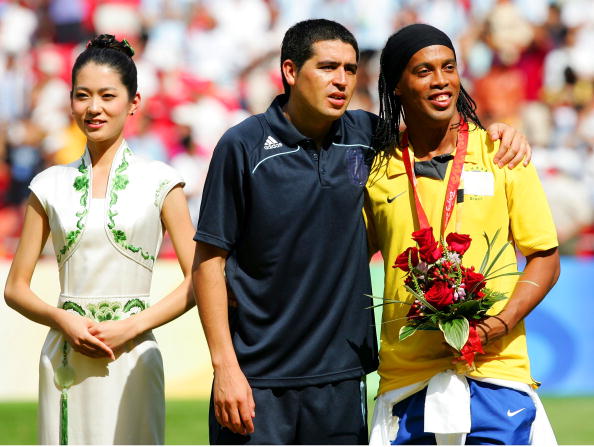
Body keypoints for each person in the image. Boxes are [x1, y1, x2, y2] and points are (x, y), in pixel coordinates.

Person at [192, 19, 531, 445]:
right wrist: (225, 367)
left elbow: (438, 135)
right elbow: (209, 262)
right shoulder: (243, 146)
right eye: (327, 67)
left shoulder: (370, 137)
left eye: (350, 69)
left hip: (343, 377)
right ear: (290, 71)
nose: (342, 80)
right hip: (257, 378)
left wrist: (498, 133)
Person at [365, 24, 560, 445]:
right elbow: (344, 262)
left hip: (496, 372)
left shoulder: (502, 153)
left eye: (448, 67)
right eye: (424, 71)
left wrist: (498, 324)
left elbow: (544, 257)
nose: (441, 80)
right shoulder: (376, 170)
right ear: (396, 85)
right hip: (408, 379)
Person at [3, 35, 195, 444]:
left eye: (108, 96)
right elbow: (15, 288)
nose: (93, 107)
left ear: (134, 102)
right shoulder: (47, 184)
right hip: (64, 359)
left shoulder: (163, 181)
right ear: (70, 101)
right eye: (82, 95)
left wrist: (133, 326)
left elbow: (201, 280)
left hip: (135, 356)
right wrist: (62, 319)